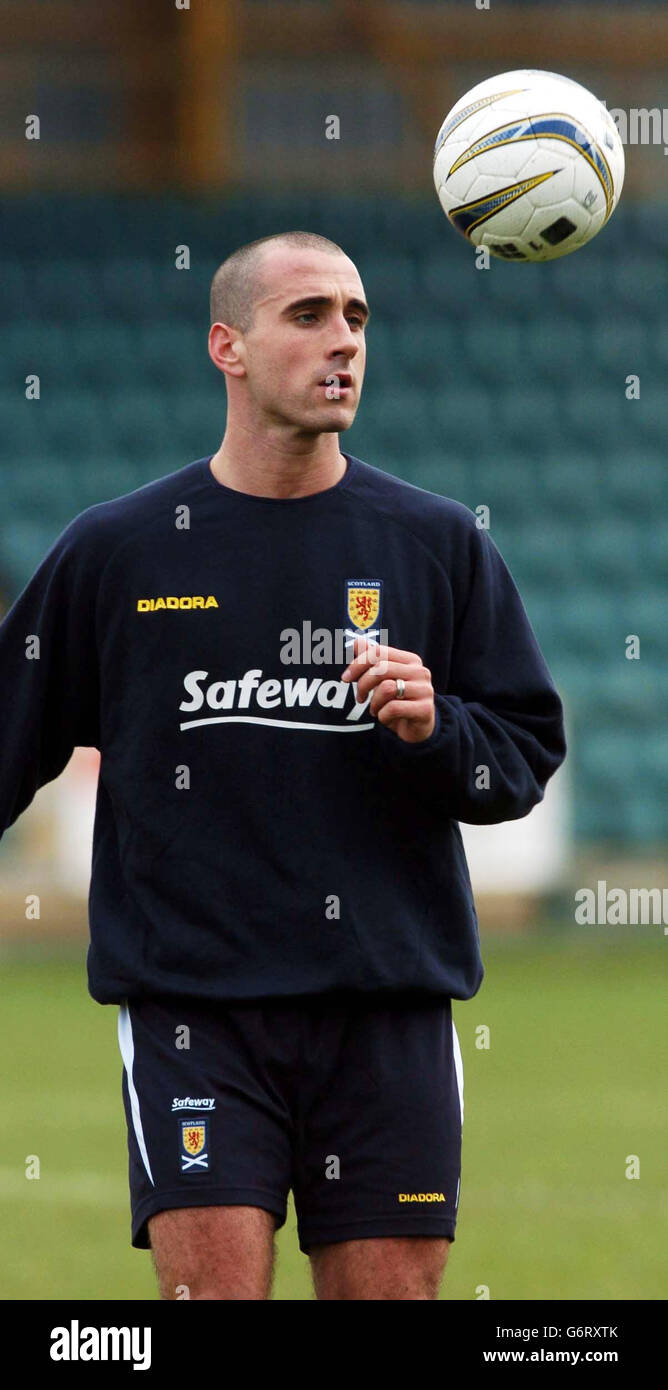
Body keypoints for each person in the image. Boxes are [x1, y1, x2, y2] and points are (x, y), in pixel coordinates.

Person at [0, 230, 566, 1300]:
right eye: (307, 315)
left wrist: (436, 729)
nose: (342, 340)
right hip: (195, 1013)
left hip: (387, 1009)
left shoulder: (437, 542)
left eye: (357, 318)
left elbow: (522, 757)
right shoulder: (120, 550)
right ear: (228, 345)